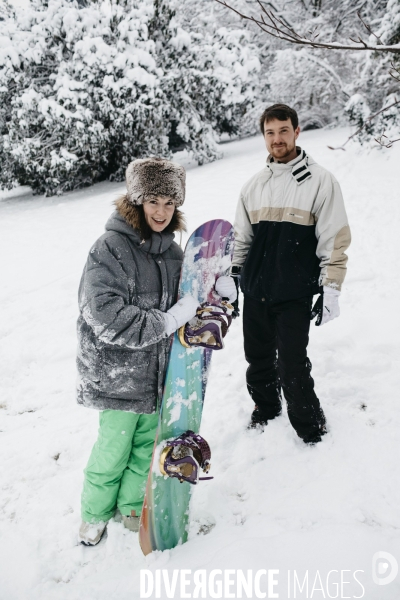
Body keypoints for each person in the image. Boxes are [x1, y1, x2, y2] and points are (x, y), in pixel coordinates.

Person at [76, 157, 202, 546]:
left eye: (169, 202)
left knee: (145, 447)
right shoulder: (110, 248)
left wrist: (218, 297)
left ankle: (131, 506)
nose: (161, 211)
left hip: (157, 375)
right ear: (136, 201)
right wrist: (163, 322)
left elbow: (193, 300)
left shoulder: (174, 254)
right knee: (113, 449)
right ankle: (95, 513)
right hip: (116, 375)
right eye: (153, 201)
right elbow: (102, 312)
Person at [231, 103, 351, 444]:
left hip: (294, 293)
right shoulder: (253, 186)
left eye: (283, 130)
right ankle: (266, 408)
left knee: (292, 365)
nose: (277, 139)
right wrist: (233, 276)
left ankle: (311, 428)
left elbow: (334, 238)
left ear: (297, 132)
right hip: (255, 291)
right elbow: (242, 238)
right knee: (257, 360)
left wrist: (332, 288)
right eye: (270, 133)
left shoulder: (321, 182)